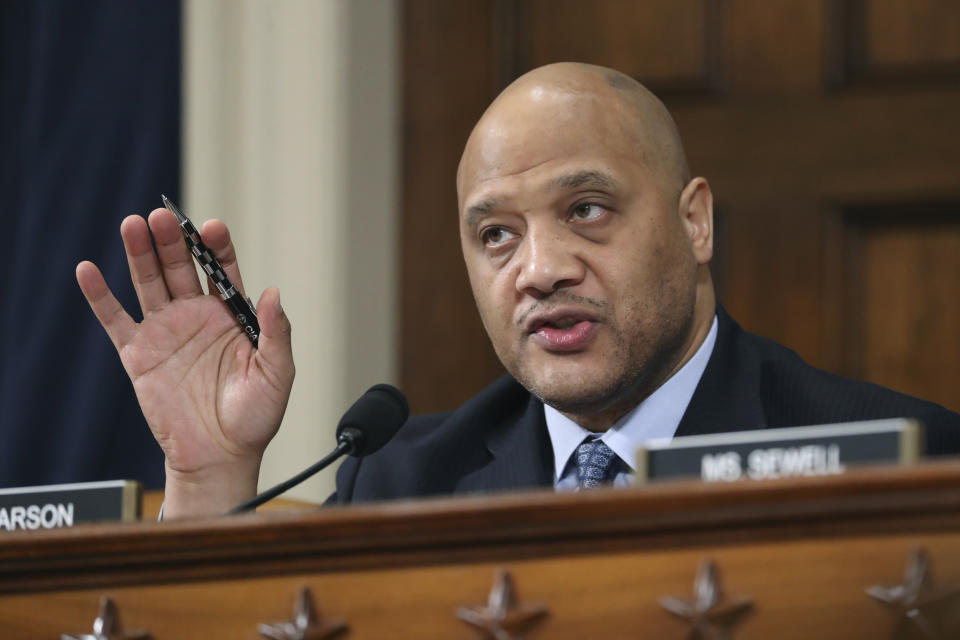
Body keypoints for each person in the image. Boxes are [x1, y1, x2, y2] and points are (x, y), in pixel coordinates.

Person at [76, 63, 960, 517]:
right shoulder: (400, 483)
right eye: (496, 234)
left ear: (695, 222)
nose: (540, 270)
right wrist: (211, 476)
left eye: (587, 209)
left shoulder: (900, 458)